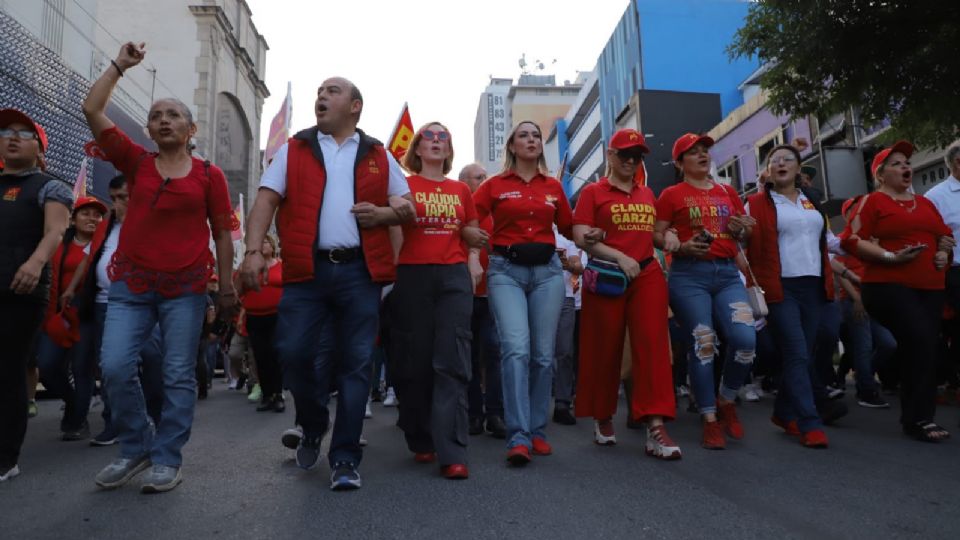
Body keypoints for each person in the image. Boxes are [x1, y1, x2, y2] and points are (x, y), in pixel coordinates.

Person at [241, 76, 414, 490]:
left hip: (359, 274)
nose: (321, 96)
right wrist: (251, 252)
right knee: (294, 353)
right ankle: (314, 424)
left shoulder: (378, 154)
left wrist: (384, 216)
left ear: (355, 105)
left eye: (332, 91)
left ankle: (345, 457)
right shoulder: (295, 149)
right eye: (320, 92)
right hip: (306, 273)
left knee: (356, 366)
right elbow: (266, 199)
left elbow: (406, 207)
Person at [82, 42, 238, 492]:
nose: (163, 120)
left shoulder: (210, 175)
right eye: (156, 115)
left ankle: (168, 457)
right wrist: (119, 66)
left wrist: (225, 287)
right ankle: (136, 447)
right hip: (131, 284)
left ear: (191, 128)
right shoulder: (135, 162)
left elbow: (224, 233)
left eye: (173, 115)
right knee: (113, 367)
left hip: (186, 289)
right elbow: (92, 109)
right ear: (149, 129)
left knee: (175, 373)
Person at [574, 129, 681, 459]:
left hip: (647, 273)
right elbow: (580, 236)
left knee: (653, 348)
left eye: (637, 156)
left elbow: (655, 234)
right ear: (610, 155)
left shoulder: (647, 194)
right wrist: (618, 255)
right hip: (608, 276)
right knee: (604, 347)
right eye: (624, 155)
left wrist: (672, 238)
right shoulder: (594, 192)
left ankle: (655, 426)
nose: (631, 162)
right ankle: (603, 416)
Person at [473, 120, 573, 465]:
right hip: (505, 272)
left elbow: (573, 227)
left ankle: (537, 431)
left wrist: (593, 237)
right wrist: (474, 253)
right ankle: (518, 436)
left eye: (535, 136)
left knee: (543, 355)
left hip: (548, 274)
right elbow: (468, 219)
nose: (531, 140)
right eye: (523, 136)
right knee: (516, 349)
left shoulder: (554, 186)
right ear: (512, 147)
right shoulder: (494, 185)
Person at [389, 122, 486, 479]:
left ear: (449, 151)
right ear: (416, 148)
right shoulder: (403, 184)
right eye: (428, 136)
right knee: (414, 363)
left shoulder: (461, 189)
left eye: (442, 137)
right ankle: (419, 435)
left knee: (452, 361)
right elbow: (394, 229)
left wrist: (473, 266)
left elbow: (471, 232)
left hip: (453, 276)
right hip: (412, 275)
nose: (435, 141)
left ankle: (453, 451)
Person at [841, 141, 954, 442]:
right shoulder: (873, 202)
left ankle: (917, 414)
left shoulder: (926, 204)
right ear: (880, 174)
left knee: (926, 346)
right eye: (896, 163)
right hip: (887, 285)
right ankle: (917, 419)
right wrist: (891, 257)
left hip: (930, 285)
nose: (906, 167)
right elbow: (851, 239)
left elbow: (944, 236)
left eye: (907, 162)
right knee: (918, 339)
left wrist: (944, 253)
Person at [653, 133, 756, 450]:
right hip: (688, 276)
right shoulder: (671, 194)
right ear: (679, 162)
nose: (702, 156)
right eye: (693, 152)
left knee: (746, 340)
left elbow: (743, 234)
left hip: (726, 274)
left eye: (705, 151)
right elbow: (656, 234)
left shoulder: (727, 191)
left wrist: (746, 229)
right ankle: (709, 418)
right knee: (703, 341)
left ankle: (726, 399)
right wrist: (678, 244)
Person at [0, 108, 73, 482]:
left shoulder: (50, 186)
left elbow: (55, 231)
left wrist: (34, 264)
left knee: (9, 370)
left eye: (23, 133)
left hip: (21, 292)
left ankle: (6, 457)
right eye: (6, 131)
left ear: (39, 148)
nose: (11, 137)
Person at [746, 144, 832, 448]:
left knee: (802, 354)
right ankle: (810, 422)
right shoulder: (756, 204)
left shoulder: (812, 201)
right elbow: (742, 242)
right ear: (768, 171)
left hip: (814, 286)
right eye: (774, 161)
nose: (781, 163)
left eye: (788, 159)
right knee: (796, 352)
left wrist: (865, 245)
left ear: (798, 168)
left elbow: (829, 241)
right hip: (780, 287)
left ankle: (783, 412)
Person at [36, 195, 107, 441]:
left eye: (97, 215)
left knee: (81, 370)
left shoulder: (103, 247)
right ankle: (73, 402)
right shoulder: (57, 243)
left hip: (86, 317)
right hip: (57, 316)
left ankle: (77, 420)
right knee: (46, 366)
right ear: (73, 218)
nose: (92, 219)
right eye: (86, 213)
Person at [834, 196, 895, 409]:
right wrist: (858, 299)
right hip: (853, 301)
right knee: (864, 346)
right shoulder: (844, 239)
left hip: (874, 301)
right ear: (848, 213)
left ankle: (863, 375)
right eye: (857, 207)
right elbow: (840, 274)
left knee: (888, 344)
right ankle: (866, 391)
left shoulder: (872, 239)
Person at [459, 163, 506, 438]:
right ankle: (474, 415)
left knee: (494, 351)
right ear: (465, 183)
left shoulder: (495, 213)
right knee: (469, 357)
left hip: (494, 295)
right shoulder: (459, 213)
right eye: (479, 177)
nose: (484, 181)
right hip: (465, 296)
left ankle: (495, 414)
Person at [921, 142, 960, 400]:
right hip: (955, 271)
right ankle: (952, 380)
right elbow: (928, 236)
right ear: (955, 163)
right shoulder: (936, 196)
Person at [239, 235, 284, 412]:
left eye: (266, 242)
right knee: (260, 356)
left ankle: (278, 394)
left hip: (277, 315)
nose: (263, 245)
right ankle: (267, 395)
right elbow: (240, 290)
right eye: (260, 242)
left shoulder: (281, 265)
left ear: (272, 247)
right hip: (254, 316)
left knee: (275, 354)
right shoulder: (248, 268)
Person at [552, 227, 584, 425]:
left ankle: (562, 404)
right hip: (534, 294)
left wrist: (569, 265)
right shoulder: (533, 228)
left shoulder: (565, 234)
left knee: (565, 351)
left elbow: (578, 266)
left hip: (565, 297)